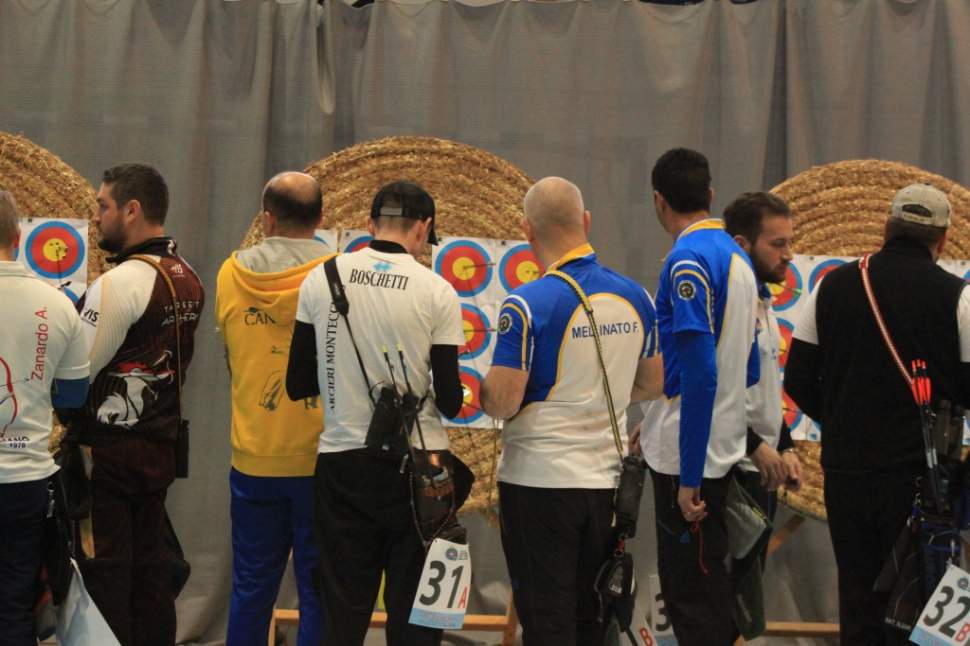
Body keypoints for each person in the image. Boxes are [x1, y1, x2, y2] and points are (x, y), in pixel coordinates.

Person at [480, 177, 663, 645]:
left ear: (527, 230)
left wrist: (477, 391)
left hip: (539, 485)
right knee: (592, 618)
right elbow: (654, 381)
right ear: (586, 222)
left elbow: (503, 399)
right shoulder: (636, 297)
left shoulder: (525, 304)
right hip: (605, 486)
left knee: (546, 622)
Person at [785, 183, 970, 645]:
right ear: (943, 239)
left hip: (847, 472)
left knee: (858, 597)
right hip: (921, 479)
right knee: (917, 596)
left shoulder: (831, 286)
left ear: (885, 228)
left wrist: (846, 421)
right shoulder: (959, 298)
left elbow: (797, 380)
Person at [286, 181, 465, 646]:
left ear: (369, 224)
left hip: (343, 461)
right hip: (422, 470)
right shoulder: (438, 290)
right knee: (416, 612)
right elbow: (449, 400)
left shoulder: (322, 278)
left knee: (341, 608)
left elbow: (297, 383)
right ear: (424, 228)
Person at [62, 163, 205, 646]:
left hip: (106, 458)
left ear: (132, 209)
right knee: (151, 577)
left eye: (103, 206)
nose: (97, 216)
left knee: (104, 577)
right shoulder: (188, 277)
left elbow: (74, 374)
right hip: (159, 451)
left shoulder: (121, 283)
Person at [639, 148, 760, 646]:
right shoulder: (739, 256)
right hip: (721, 444)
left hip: (690, 459)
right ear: (711, 195)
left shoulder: (687, 260)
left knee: (692, 602)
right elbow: (747, 366)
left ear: (658, 202)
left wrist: (689, 475)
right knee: (708, 596)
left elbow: (700, 374)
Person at [216, 172, 332, 646]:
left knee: (251, 585)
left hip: (254, 455)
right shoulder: (337, 274)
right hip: (321, 459)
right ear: (322, 218)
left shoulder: (231, 273)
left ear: (266, 219)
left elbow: (231, 356)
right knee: (318, 588)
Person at [0, 191, 90, 646]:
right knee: (14, 603)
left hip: (26, 481)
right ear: (19, 237)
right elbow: (73, 395)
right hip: (25, 481)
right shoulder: (56, 304)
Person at [723, 191, 803, 532]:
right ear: (742, 244)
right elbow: (716, 392)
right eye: (777, 244)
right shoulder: (729, 304)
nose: (789, 254)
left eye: (790, 242)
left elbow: (764, 391)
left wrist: (784, 446)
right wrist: (755, 445)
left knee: (749, 584)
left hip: (761, 468)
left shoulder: (763, 301)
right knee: (730, 585)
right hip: (732, 469)